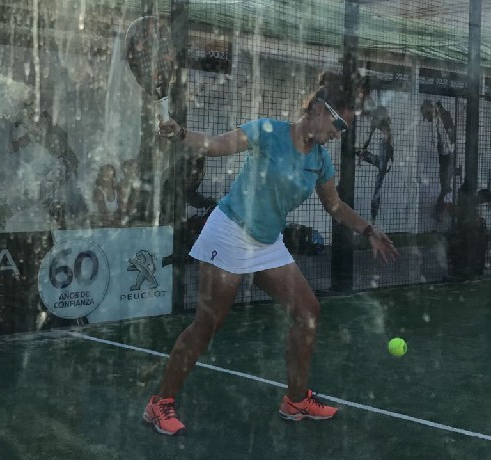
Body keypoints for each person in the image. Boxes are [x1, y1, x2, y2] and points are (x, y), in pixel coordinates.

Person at [143, 72, 399, 436]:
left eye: (345, 127)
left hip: (267, 242)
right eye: (338, 124)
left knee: (308, 313)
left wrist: (369, 230)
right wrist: (181, 134)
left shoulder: (320, 161)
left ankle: (295, 401)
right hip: (230, 232)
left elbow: (335, 206)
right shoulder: (267, 131)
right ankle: (159, 404)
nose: (339, 132)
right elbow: (216, 145)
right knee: (207, 324)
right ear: (317, 109)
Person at [356, 106, 394, 224]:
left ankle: (373, 215)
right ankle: (373, 215)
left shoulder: (385, 124)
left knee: (379, 184)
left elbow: (389, 141)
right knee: (379, 182)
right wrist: (362, 151)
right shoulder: (376, 122)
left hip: (385, 150)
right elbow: (369, 137)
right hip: (384, 151)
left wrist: (391, 158)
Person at [420, 99, 456, 221]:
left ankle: (440, 210)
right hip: (444, 156)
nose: (427, 119)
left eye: (427, 116)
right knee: (445, 185)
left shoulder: (442, 116)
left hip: (449, 155)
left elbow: (451, 133)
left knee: (445, 186)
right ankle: (442, 209)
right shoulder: (437, 119)